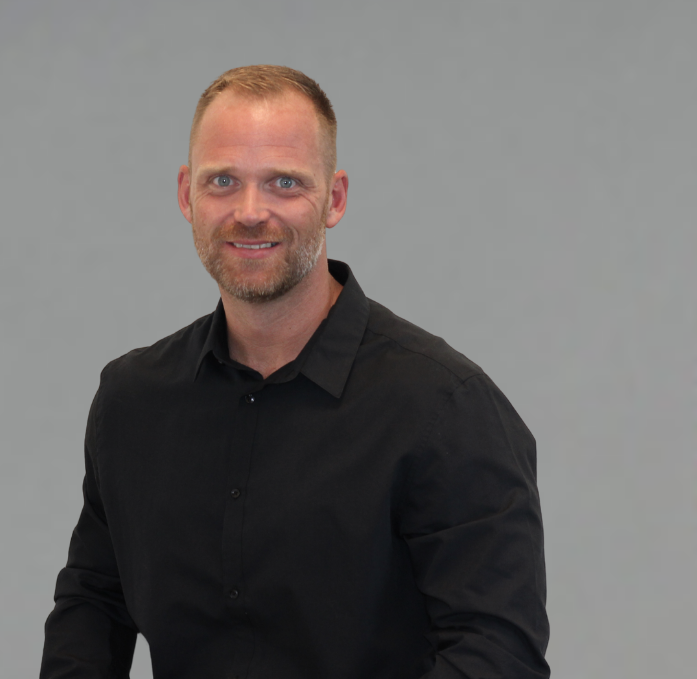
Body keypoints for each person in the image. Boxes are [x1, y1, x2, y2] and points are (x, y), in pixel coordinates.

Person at [40, 65, 550, 679]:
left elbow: (496, 655)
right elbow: (92, 604)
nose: (250, 212)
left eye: (284, 182)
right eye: (223, 181)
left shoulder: (448, 410)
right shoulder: (132, 402)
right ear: (185, 195)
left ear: (334, 199)